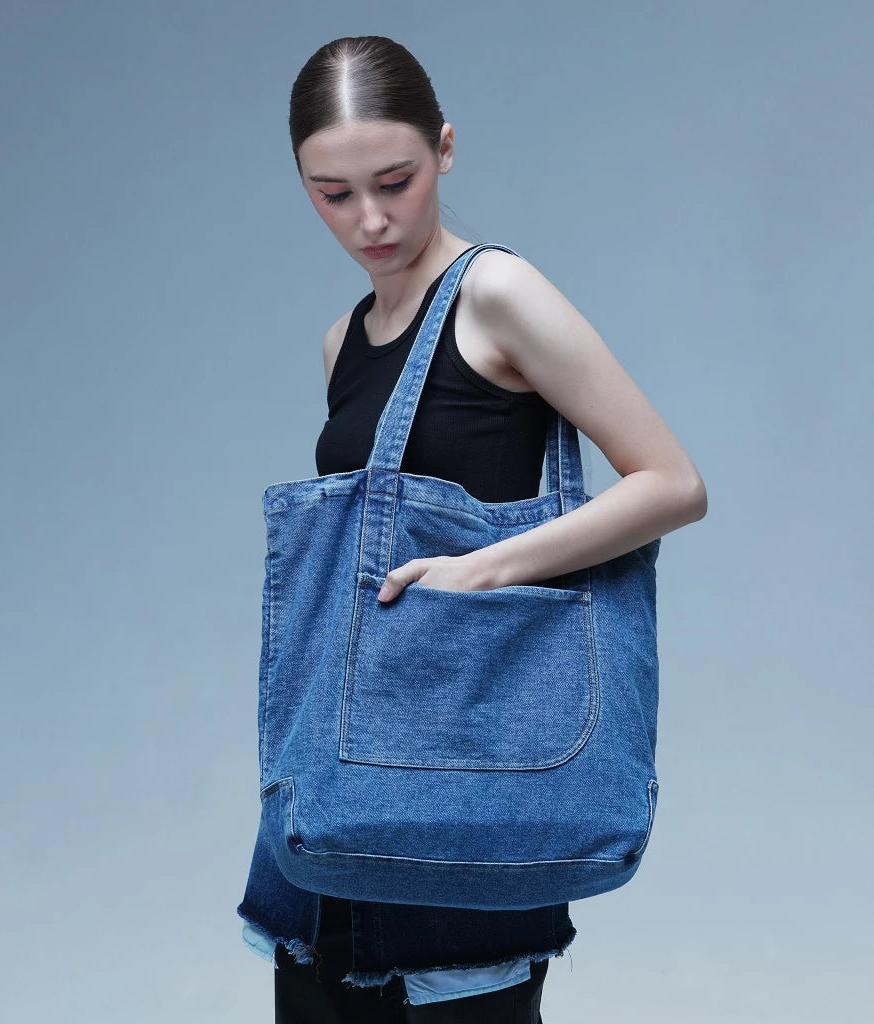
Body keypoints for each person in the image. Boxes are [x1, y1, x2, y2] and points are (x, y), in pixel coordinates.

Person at [239, 34, 708, 1024]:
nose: (370, 219)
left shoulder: (496, 293)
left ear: (444, 149)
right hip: (338, 783)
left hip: (469, 777)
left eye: (395, 181)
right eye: (333, 193)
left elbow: (671, 482)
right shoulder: (341, 342)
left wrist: (484, 568)